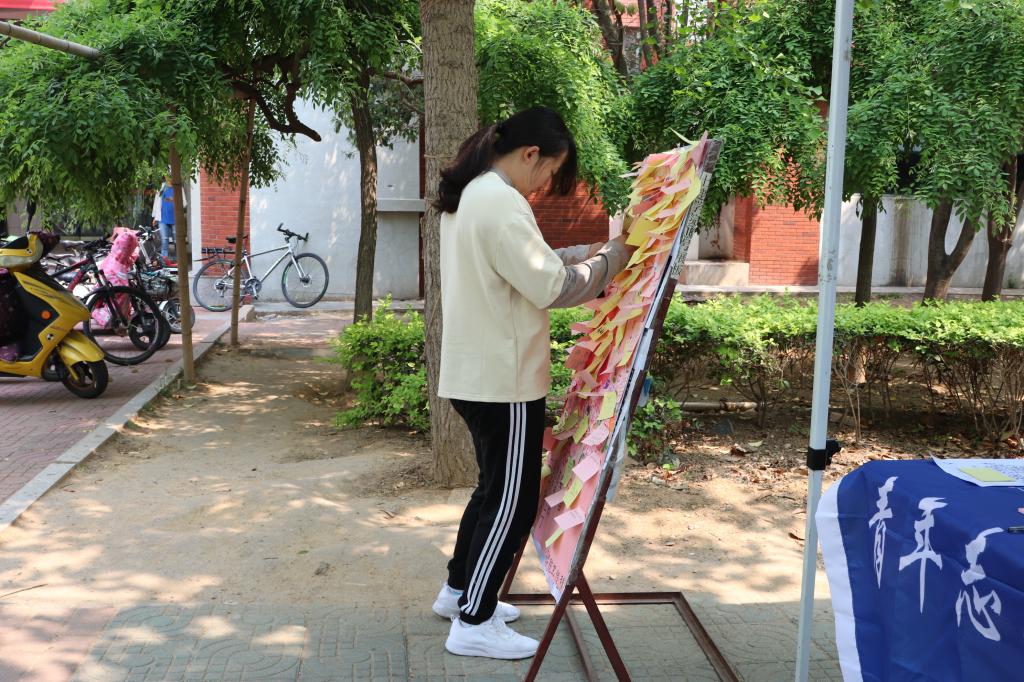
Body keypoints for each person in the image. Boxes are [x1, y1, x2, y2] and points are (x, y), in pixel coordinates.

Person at [430, 106, 635, 660]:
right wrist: (615, 258)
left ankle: (459, 591)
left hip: (478, 373)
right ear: (529, 154)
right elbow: (553, 287)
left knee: (492, 490)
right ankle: (474, 620)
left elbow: (533, 265)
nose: (545, 184)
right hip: (505, 378)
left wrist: (594, 255)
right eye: (549, 171)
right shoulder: (500, 201)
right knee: (513, 501)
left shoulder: (476, 194)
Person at [151, 175, 186, 259]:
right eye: (166, 176)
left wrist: (174, 200)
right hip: (163, 219)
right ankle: (165, 261)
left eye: (170, 176)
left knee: (177, 241)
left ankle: (179, 260)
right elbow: (157, 202)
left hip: (176, 219)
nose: (168, 178)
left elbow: (184, 203)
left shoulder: (178, 187)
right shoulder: (161, 187)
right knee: (164, 241)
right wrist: (155, 217)